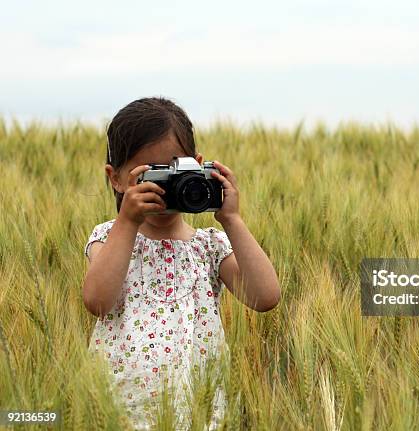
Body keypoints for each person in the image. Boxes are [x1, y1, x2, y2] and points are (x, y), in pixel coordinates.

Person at [82, 96, 281, 430]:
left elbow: (265, 296)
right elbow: (98, 301)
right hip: (120, 410)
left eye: (175, 171)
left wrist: (231, 219)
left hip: (199, 411)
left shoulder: (209, 246)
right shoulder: (108, 238)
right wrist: (127, 223)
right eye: (151, 175)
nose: (165, 189)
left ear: (196, 166)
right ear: (116, 178)